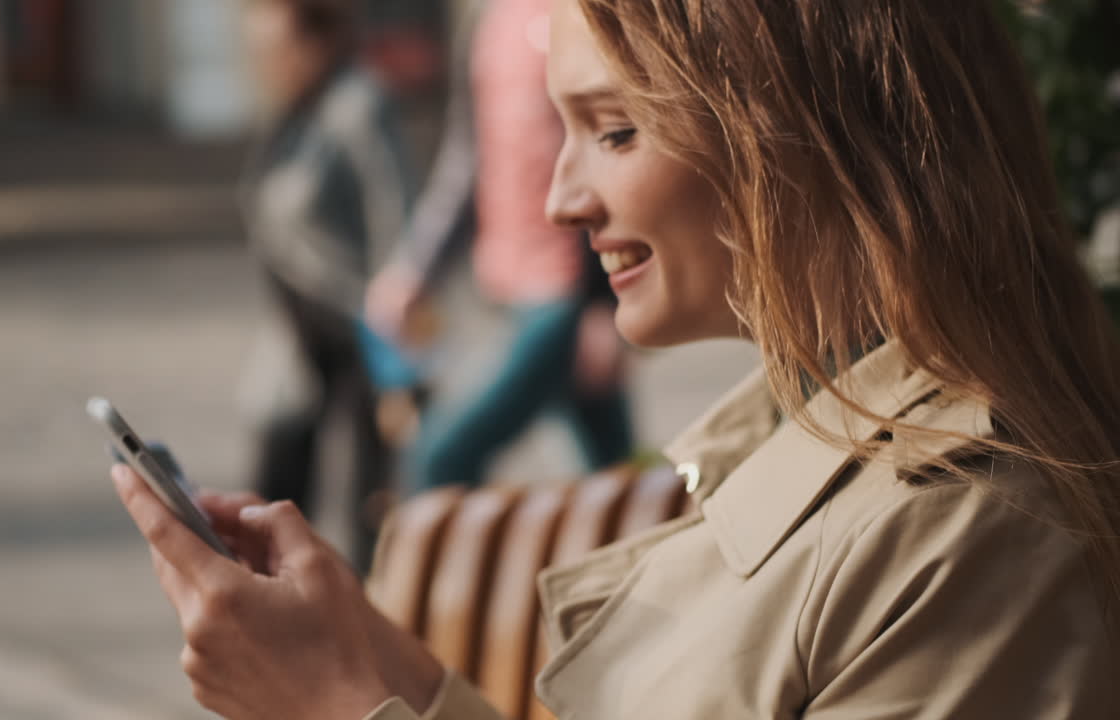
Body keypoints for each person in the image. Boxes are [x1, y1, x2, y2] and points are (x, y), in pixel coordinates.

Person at [114, 0, 1120, 717]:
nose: (562, 198)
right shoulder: (803, 446)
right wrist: (376, 667)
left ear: (804, 133)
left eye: (615, 130)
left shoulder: (966, 536)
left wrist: (331, 708)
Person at [364, 0, 633, 492]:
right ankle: (658, 549)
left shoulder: (584, 16)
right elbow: (468, 158)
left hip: (563, 294)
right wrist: (415, 269)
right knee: (613, 468)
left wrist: (605, 305)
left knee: (439, 457)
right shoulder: (489, 20)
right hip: (507, 288)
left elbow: (612, 149)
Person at [237, 0, 416, 570]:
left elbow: (396, 216)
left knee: (371, 500)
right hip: (300, 330)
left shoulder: (358, 103)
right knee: (278, 476)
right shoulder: (292, 112)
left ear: (316, 42)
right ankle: (279, 603)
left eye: (274, 48)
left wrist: (402, 329)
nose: (263, 63)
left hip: (361, 331)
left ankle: (364, 618)